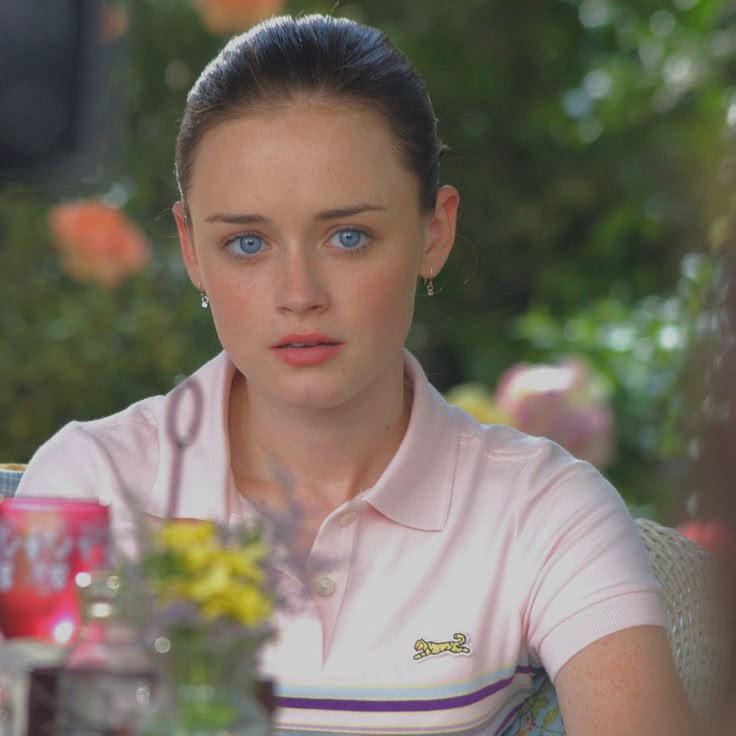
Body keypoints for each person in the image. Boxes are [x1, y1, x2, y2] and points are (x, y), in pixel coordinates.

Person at [17, 13, 694, 736]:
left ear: (434, 230)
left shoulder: (545, 511)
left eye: (348, 237)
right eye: (246, 242)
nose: (299, 291)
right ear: (190, 249)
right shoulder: (81, 487)